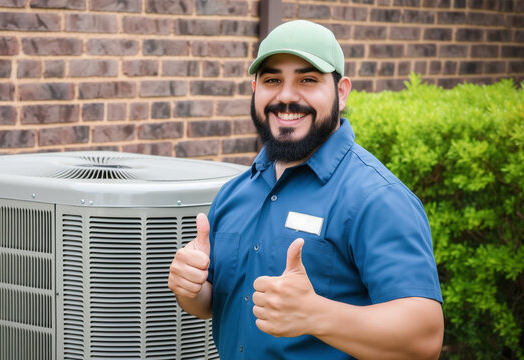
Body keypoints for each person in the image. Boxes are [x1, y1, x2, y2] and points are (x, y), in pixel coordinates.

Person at [168, 20, 444, 359]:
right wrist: (191, 289)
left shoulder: (376, 198)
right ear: (255, 88)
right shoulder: (235, 193)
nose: (285, 96)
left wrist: (315, 315)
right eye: (272, 80)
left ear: (341, 92)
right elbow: (216, 304)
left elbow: (424, 339)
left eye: (307, 80)